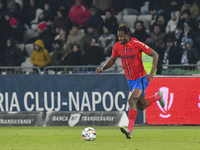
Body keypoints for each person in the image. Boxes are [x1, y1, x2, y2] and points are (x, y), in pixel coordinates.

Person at [96, 25, 165, 139]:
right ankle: (158, 96)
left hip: (142, 78)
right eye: (119, 36)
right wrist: (103, 68)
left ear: (128, 35)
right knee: (142, 105)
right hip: (130, 80)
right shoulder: (117, 46)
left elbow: (155, 54)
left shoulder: (137, 44)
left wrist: (152, 72)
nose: (120, 39)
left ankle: (129, 130)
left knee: (132, 100)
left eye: (122, 36)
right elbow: (113, 60)